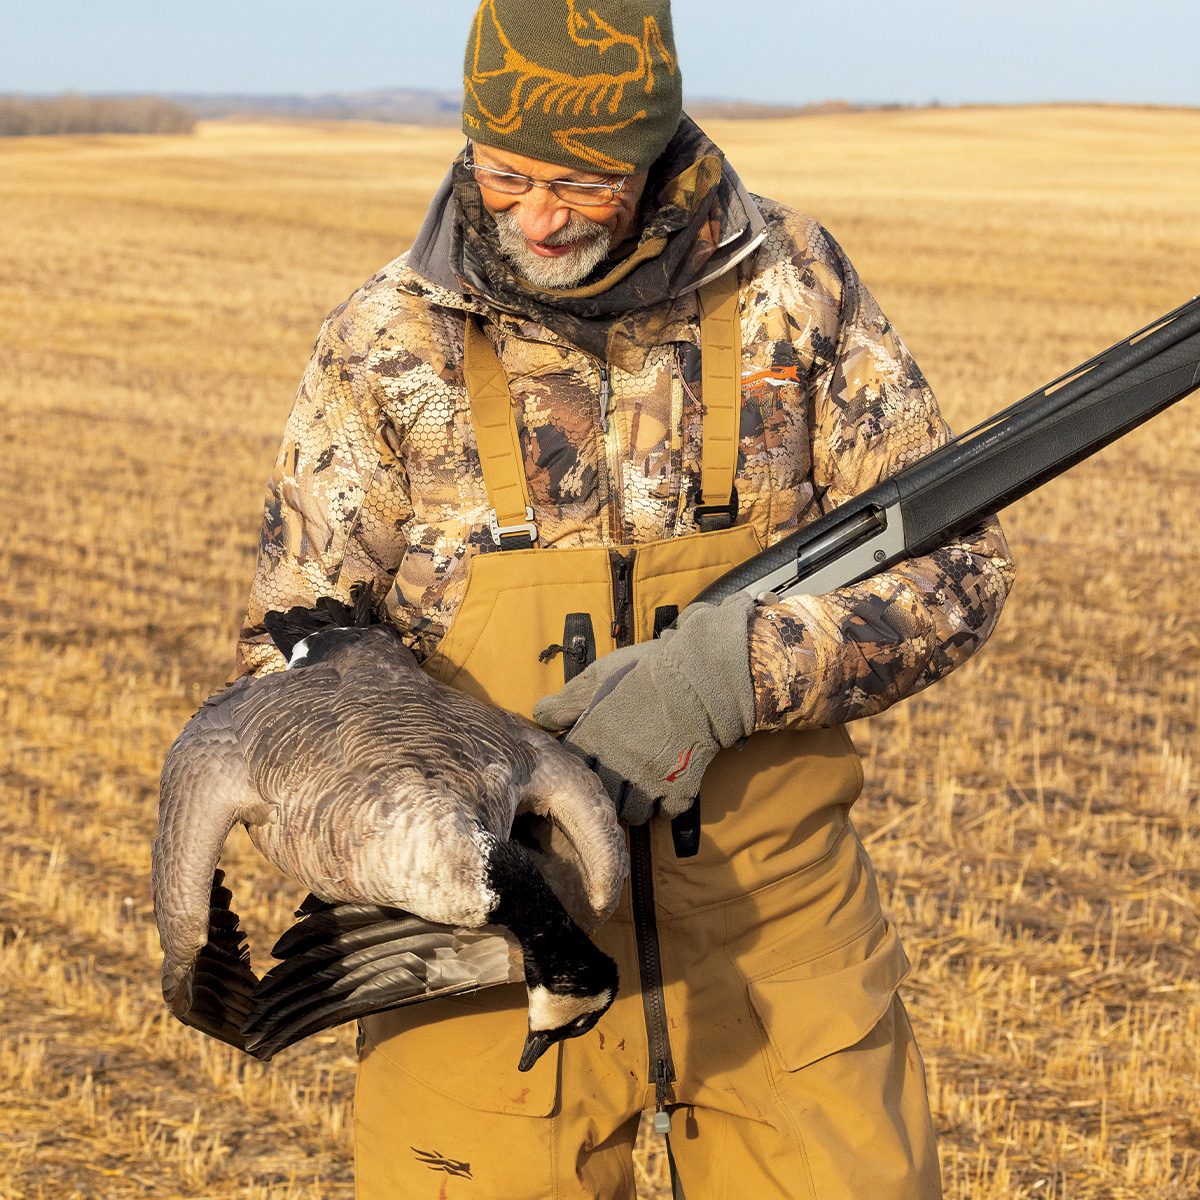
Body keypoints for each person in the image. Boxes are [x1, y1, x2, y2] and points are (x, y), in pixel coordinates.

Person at [236, 2, 1014, 1196]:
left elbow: (958, 569)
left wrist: (728, 679)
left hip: (780, 956)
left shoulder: (792, 292)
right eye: (502, 173)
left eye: (583, 182)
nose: (536, 215)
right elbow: (289, 657)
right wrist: (443, 787)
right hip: (482, 976)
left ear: (652, 154)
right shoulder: (387, 342)